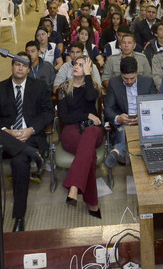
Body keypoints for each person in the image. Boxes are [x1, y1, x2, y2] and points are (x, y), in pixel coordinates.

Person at [0, 53, 54, 232]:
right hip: (8, 139)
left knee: (19, 161)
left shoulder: (39, 86)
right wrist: (7, 132)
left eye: (24, 65)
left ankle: (19, 217)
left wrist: (31, 130)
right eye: (17, 64)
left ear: (29, 69)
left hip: (30, 138)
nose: (20, 68)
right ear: (12, 66)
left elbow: (48, 113)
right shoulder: (0, 88)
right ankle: (29, 153)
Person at [57, 56, 104, 219]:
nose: (76, 66)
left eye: (82, 65)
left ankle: (74, 186)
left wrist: (88, 75)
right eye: (76, 64)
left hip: (93, 129)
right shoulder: (63, 87)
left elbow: (90, 97)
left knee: (89, 134)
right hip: (71, 130)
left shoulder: (94, 86)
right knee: (89, 154)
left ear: (88, 69)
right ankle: (92, 203)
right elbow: (65, 118)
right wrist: (86, 115)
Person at [103, 57, 157, 168]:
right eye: (125, 78)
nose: (129, 82)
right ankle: (131, 165)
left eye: (132, 78)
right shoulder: (114, 83)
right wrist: (118, 118)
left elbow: (154, 106)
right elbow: (108, 108)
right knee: (123, 131)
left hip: (145, 120)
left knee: (147, 132)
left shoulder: (148, 82)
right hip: (124, 122)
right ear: (121, 74)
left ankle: (117, 151)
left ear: (137, 72)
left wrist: (141, 117)